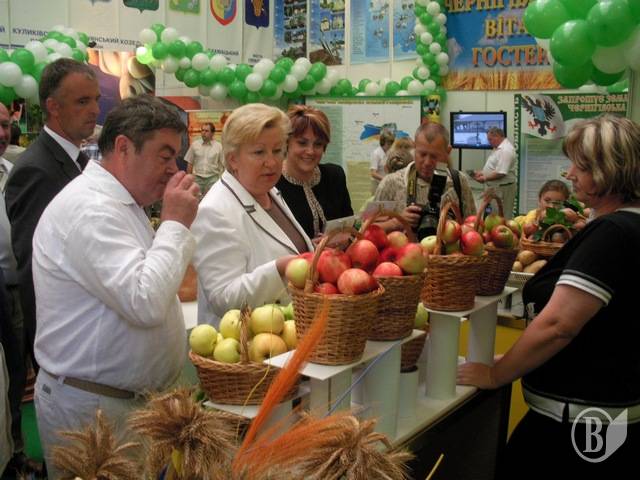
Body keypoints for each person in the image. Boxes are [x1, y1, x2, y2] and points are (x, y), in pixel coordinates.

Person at [457, 115, 640, 477]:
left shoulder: (612, 232)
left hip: (576, 428)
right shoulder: (629, 224)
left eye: (580, 166)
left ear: (607, 170)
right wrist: (513, 358)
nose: (569, 174)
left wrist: (496, 374)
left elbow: (559, 324)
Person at [31, 94, 199, 478]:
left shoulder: (120, 203)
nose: (173, 169)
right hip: (94, 413)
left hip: (119, 405)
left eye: (175, 157)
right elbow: (145, 301)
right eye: (165, 156)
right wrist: (175, 223)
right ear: (123, 147)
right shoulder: (90, 209)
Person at [5, 58, 100, 385]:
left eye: (96, 99)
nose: (94, 110)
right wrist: (46, 354)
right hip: (66, 352)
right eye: (82, 101)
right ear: (53, 107)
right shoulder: (37, 170)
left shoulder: (79, 161)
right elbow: (33, 267)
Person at [192, 104, 313, 326]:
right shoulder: (215, 210)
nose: (272, 162)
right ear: (233, 159)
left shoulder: (268, 191)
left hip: (285, 334)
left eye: (277, 150)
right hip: (247, 342)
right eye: (259, 152)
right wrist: (279, 269)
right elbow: (223, 298)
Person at [374, 122, 476, 237]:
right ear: (414, 148)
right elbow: (367, 230)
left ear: (447, 152)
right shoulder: (390, 183)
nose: (427, 162)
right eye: (422, 154)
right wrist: (397, 222)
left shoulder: (459, 182)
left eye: (434, 156)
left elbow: (473, 228)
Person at [276, 105, 353, 239]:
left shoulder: (335, 175)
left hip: (338, 253)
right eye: (302, 143)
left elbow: (349, 226)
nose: (310, 151)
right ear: (287, 143)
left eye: (318, 144)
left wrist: (347, 239)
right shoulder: (272, 184)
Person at [473, 127, 517, 218]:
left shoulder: (506, 150)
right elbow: (495, 167)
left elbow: (501, 172)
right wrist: (482, 172)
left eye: (490, 139)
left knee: (501, 216)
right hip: (495, 188)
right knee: (492, 216)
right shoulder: (498, 148)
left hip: (503, 189)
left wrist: (485, 178)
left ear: (497, 136)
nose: (489, 142)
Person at [185, 121, 224, 196]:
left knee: (212, 199)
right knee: (196, 200)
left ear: (212, 133)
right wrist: (189, 180)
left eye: (206, 131)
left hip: (213, 178)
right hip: (197, 178)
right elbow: (190, 163)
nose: (203, 133)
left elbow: (223, 165)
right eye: (202, 130)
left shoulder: (219, 146)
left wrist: (221, 180)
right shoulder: (195, 145)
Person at [370, 129, 395, 194]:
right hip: (377, 184)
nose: (390, 146)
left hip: (386, 183)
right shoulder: (376, 153)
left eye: (391, 144)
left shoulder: (390, 152)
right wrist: (385, 179)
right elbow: (373, 173)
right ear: (383, 142)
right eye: (388, 144)